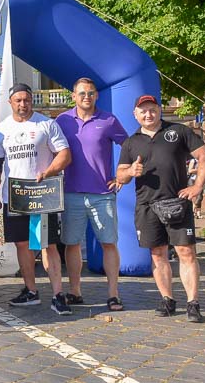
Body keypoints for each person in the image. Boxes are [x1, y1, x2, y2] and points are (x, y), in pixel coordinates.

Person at [117, 94, 205, 322]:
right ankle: (167, 299)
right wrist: (130, 172)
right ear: (135, 114)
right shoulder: (131, 142)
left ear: (159, 110)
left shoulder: (179, 132)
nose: (148, 114)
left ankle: (193, 303)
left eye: (152, 109)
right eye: (143, 111)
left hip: (176, 202)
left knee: (186, 252)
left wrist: (198, 186)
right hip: (147, 206)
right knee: (157, 254)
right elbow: (120, 174)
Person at [0, 83, 73, 315]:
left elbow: (64, 154)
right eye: (18, 100)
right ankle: (31, 291)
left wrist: (48, 172)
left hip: (42, 193)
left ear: (31, 101)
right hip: (15, 195)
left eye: (26, 100)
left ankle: (58, 294)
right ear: (10, 103)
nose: (23, 104)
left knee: (47, 244)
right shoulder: (1, 129)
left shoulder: (46, 123)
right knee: (22, 244)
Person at [55, 77, 128, 311]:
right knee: (72, 243)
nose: (87, 97)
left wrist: (121, 175)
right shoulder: (62, 120)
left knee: (109, 243)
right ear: (74, 96)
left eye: (91, 93)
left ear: (96, 95)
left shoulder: (108, 120)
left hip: (102, 193)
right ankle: (75, 291)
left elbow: (128, 146)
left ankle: (113, 294)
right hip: (71, 193)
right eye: (82, 93)